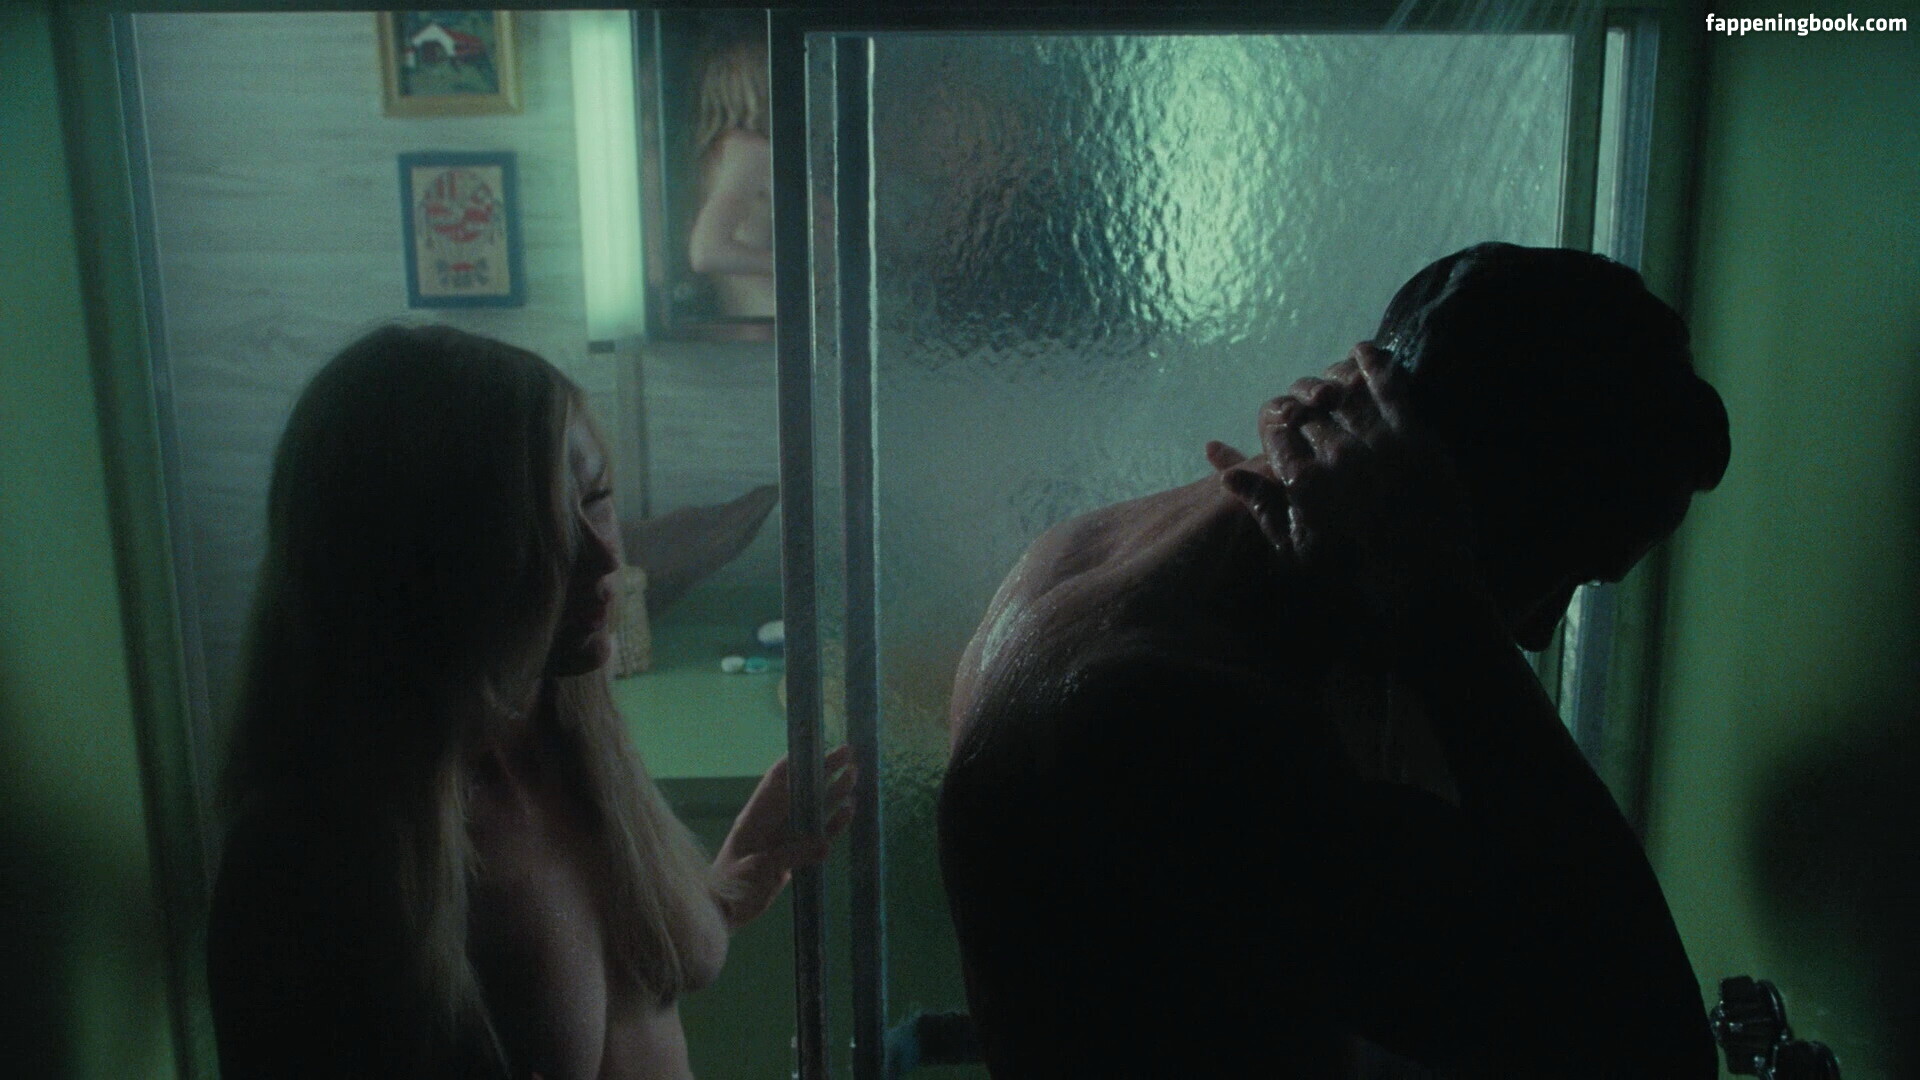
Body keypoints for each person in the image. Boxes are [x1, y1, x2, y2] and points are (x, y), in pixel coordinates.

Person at [937, 244, 1731, 1077]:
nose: (1537, 632)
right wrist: (1442, 607)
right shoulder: (1170, 726)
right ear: (1426, 496)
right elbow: (1649, 1048)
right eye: (1558, 572)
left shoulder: (1076, 556)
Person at [207, 325, 853, 1080]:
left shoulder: (567, 735)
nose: (605, 555)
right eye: (536, 522)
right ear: (422, 555)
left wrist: (731, 882)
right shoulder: (305, 863)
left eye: (597, 499)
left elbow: (622, 986)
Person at [687, 35, 774, 323]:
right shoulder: (750, 150)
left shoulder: (718, 152)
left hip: (742, 316)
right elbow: (706, 251)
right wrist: (801, 265)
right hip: (767, 312)